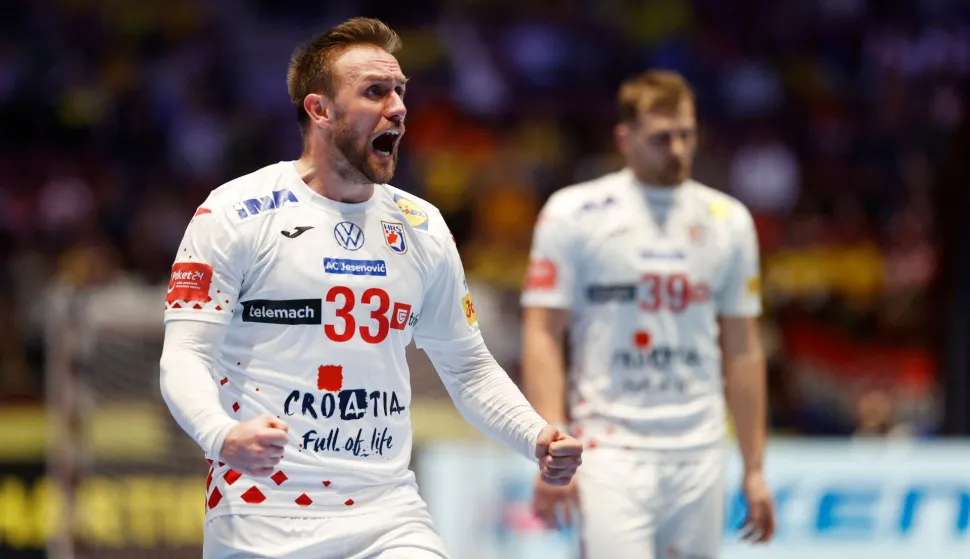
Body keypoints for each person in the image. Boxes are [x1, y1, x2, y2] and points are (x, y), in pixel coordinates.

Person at [159, 17, 582, 559]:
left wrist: (536, 437)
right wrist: (221, 435)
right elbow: (185, 355)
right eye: (376, 92)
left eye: (400, 90)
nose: (399, 108)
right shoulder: (235, 213)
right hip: (260, 516)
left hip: (387, 513)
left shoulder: (421, 225)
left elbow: (468, 367)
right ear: (319, 110)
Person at [520, 70, 775, 559]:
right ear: (625, 138)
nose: (678, 149)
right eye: (662, 138)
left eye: (687, 135)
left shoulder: (730, 221)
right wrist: (552, 453)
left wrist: (755, 468)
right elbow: (543, 335)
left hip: (699, 447)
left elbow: (743, 349)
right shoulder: (573, 214)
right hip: (608, 450)